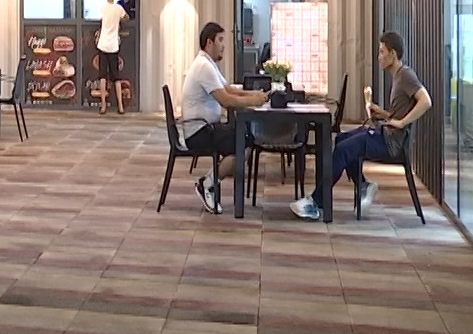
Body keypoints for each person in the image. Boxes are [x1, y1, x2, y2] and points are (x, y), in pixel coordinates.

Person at [290, 31, 430, 220]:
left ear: (393, 54)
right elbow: (399, 113)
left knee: (343, 150)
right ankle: (362, 185)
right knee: (341, 139)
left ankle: (316, 202)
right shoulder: (398, 76)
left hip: (390, 143)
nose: (379, 57)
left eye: (382, 52)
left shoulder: (405, 75)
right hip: (385, 133)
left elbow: (426, 101)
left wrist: (402, 122)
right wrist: (383, 113)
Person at [181, 21, 267, 214]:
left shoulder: (208, 64)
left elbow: (228, 89)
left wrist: (255, 94)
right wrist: (254, 101)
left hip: (207, 127)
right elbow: (226, 100)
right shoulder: (204, 66)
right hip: (199, 131)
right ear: (209, 43)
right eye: (220, 40)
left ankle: (209, 182)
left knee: (244, 139)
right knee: (243, 143)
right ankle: (208, 184)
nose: (223, 45)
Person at [96, 0, 127, 115]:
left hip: (103, 45)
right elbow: (126, 17)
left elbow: (100, 19)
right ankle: (120, 106)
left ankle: (103, 106)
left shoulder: (103, 8)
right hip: (114, 46)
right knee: (116, 78)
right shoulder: (118, 8)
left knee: (103, 77)